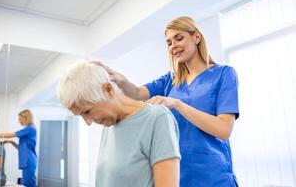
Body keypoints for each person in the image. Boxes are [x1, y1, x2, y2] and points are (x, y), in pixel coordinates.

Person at [94, 16, 239, 187]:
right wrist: (118, 79)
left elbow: (223, 129)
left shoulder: (224, 74)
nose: (173, 46)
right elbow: (137, 93)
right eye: (169, 42)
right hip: (177, 175)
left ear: (196, 37)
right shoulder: (170, 80)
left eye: (179, 38)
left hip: (213, 176)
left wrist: (177, 104)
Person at [57, 61, 181, 187]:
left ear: (108, 90)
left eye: (87, 111)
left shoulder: (157, 118)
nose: (88, 122)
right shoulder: (110, 123)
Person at [0, 109, 37, 187]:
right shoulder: (28, 129)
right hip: (27, 160)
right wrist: (11, 142)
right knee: (26, 184)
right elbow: (21, 148)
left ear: (26, 118)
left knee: (29, 184)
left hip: (29, 160)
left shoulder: (30, 129)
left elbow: (11, 134)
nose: (19, 121)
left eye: (20, 119)